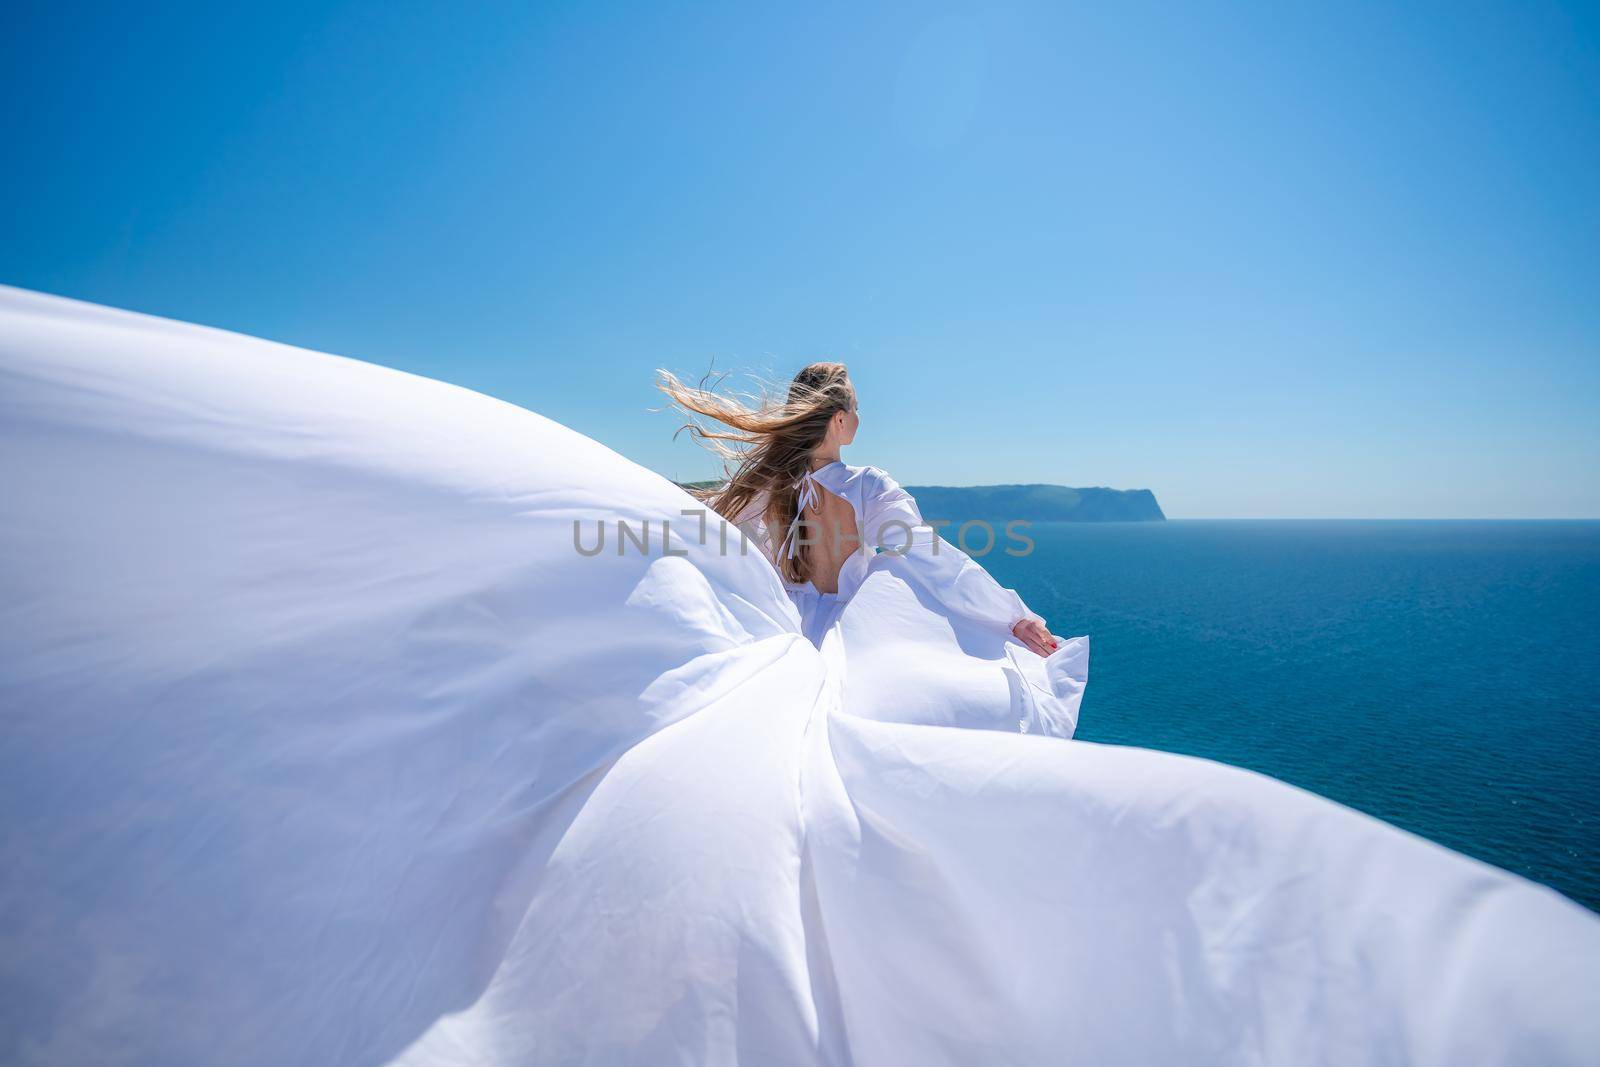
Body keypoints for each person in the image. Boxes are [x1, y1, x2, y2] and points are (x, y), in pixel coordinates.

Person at [3, 287, 1597, 1066]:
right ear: (844, 424)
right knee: (881, 787)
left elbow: (715, 549)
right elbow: (936, 573)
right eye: (848, 418)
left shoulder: (753, 495)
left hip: (768, 642)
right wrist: (1026, 628)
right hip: (819, 658)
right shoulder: (872, 486)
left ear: (798, 424)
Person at [657, 362, 1091, 738]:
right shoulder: (867, 486)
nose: (861, 417)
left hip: (782, 631)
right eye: (858, 408)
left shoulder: (764, 487)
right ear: (840, 421)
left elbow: (703, 526)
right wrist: (1011, 616)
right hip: (851, 636)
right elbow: (937, 561)